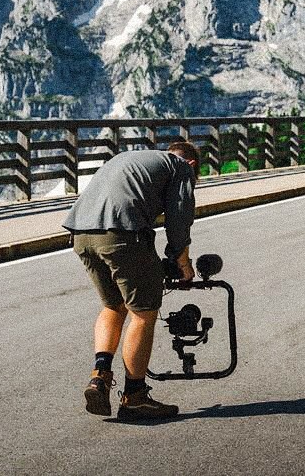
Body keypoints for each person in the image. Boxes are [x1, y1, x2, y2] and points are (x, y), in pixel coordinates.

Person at [64, 140, 199, 420]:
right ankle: (135, 397)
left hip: (80, 233)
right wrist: (182, 262)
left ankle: (99, 376)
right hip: (121, 235)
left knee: (113, 306)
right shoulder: (181, 169)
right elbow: (179, 220)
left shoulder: (135, 159)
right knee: (143, 314)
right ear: (192, 165)